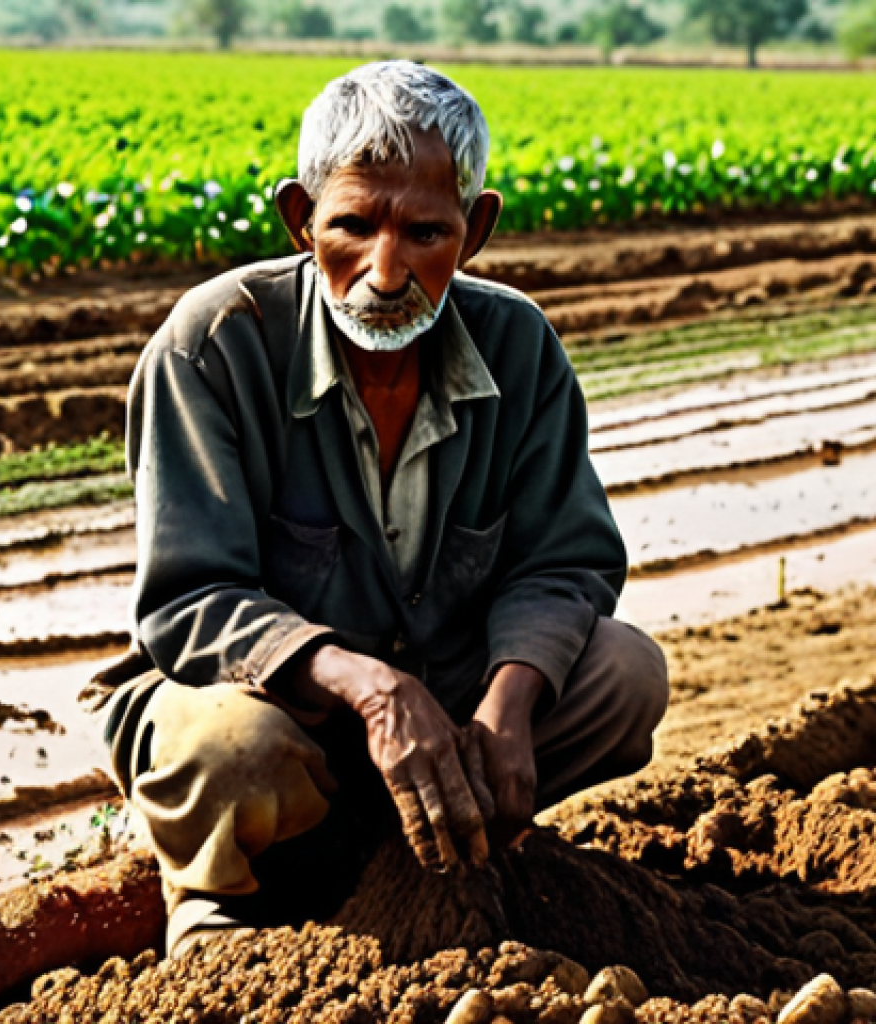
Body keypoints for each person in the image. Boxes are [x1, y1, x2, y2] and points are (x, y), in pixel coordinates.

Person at [80, 60, 668, 959]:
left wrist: (509, 704)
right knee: (229, 749)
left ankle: (424, 847)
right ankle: (216, 905)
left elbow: (565, 562)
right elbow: (189, 601)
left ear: (474, 231)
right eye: (352, 225)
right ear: (299, 219)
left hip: (448, 699)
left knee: (623, 675)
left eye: (425, 232)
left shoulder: (519, 345)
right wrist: (369, 685)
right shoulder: (212, 346)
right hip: (276, 709)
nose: (385, 272)